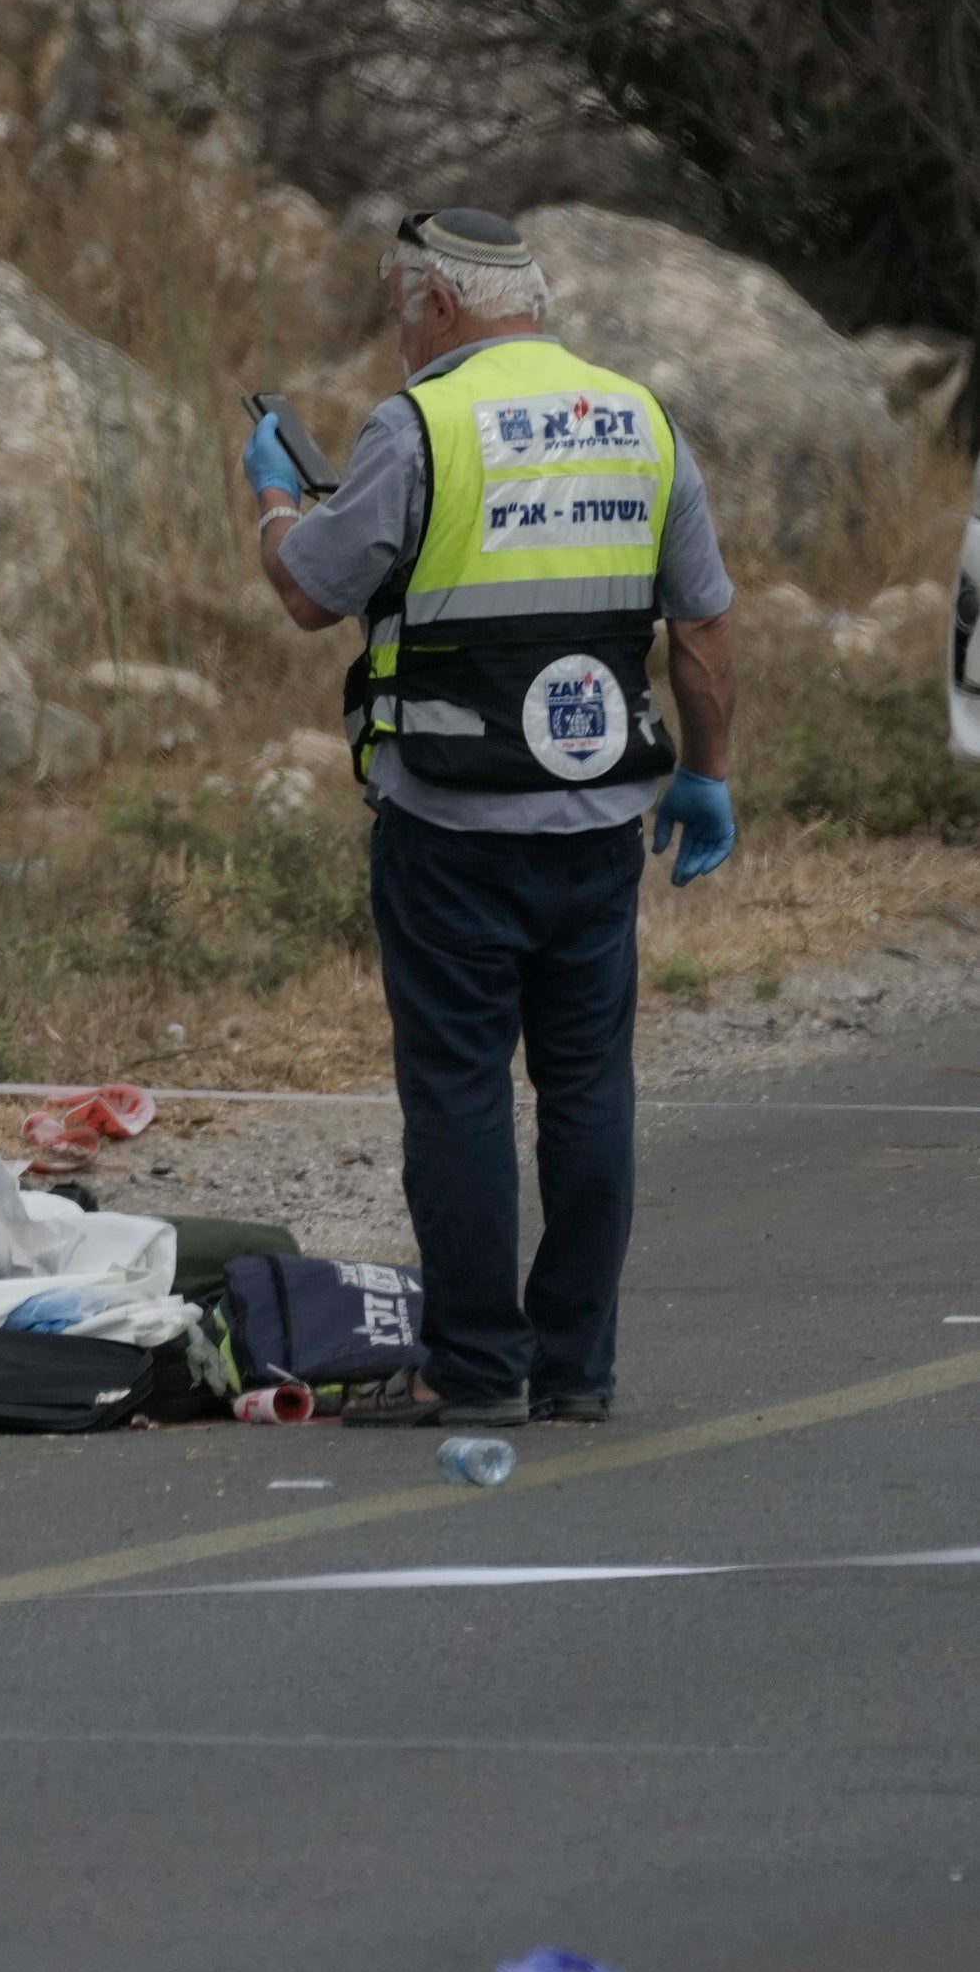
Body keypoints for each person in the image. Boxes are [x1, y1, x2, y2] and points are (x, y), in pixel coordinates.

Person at [248, 206, 736, 1431]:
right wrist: (708, 771)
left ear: (441, 306)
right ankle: (574, 1366)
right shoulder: (639, 420)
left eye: (394, 304)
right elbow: (705, 625)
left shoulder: (413, 425)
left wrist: (268, 498)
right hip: (597, 822)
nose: (393, 328)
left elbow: (311, 590)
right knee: (587, 1090)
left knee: (459, 1090)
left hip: (449, 819)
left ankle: (469, 1366)